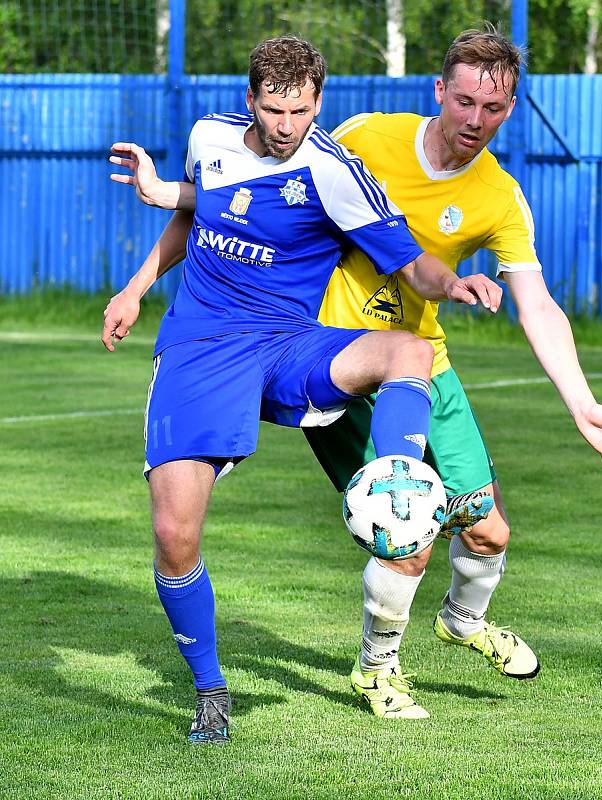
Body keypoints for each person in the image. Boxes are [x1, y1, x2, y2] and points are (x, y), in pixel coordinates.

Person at [110, 28, 602, 722]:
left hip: (377, 354)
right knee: (391, 539)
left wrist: (578, 400)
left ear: (510, 107)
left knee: (486, 530)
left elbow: (527, 301)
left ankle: (453, 607)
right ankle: (322, 675)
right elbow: (222, 195)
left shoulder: (488, 195)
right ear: (439, 92)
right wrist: (145, 257)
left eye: (492, 108)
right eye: (463, 102)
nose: (474, 120)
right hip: (270, 348)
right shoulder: (352, 137)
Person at [102, 34, 500, 742]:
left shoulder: (335, 171)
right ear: (250, 100)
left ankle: (395, 481)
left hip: (288, 343)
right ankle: (210, 689)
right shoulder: (209, 137)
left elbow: (412, 263)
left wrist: (455, 282)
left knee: (407, 350)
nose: (288, 126)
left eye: (303, 111)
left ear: (319, 102)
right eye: (276, 109)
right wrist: (135, 289)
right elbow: (196, 215)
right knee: (173, 534)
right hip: (199, 348)